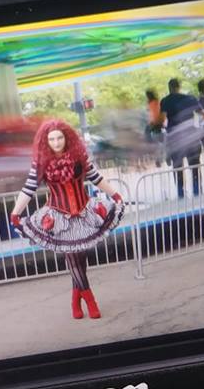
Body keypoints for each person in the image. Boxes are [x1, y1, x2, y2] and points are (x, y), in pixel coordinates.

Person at [10, 119, 124, 320]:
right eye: (52, 139)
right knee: (73, 258)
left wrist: (115, 195)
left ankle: (75, 301)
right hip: (58, 218)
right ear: (46, 141)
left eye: (59, 137)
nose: (56, 142)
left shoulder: (79, 157)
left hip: (83, 213)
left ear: (67, 137)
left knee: (80, 258)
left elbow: (96, 178)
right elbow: (29, 189)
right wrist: (15, 213)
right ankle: (91, 302)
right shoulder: (41, 163)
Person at [159, 78, 204, 198]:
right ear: (179, 87)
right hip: (191, 138)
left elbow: (162, 119)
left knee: (178, 168)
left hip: (175, 141)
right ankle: (197, 191)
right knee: (195, 166)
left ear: (169, 88)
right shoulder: (190, 99)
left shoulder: (165, 101)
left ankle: (181, 194)